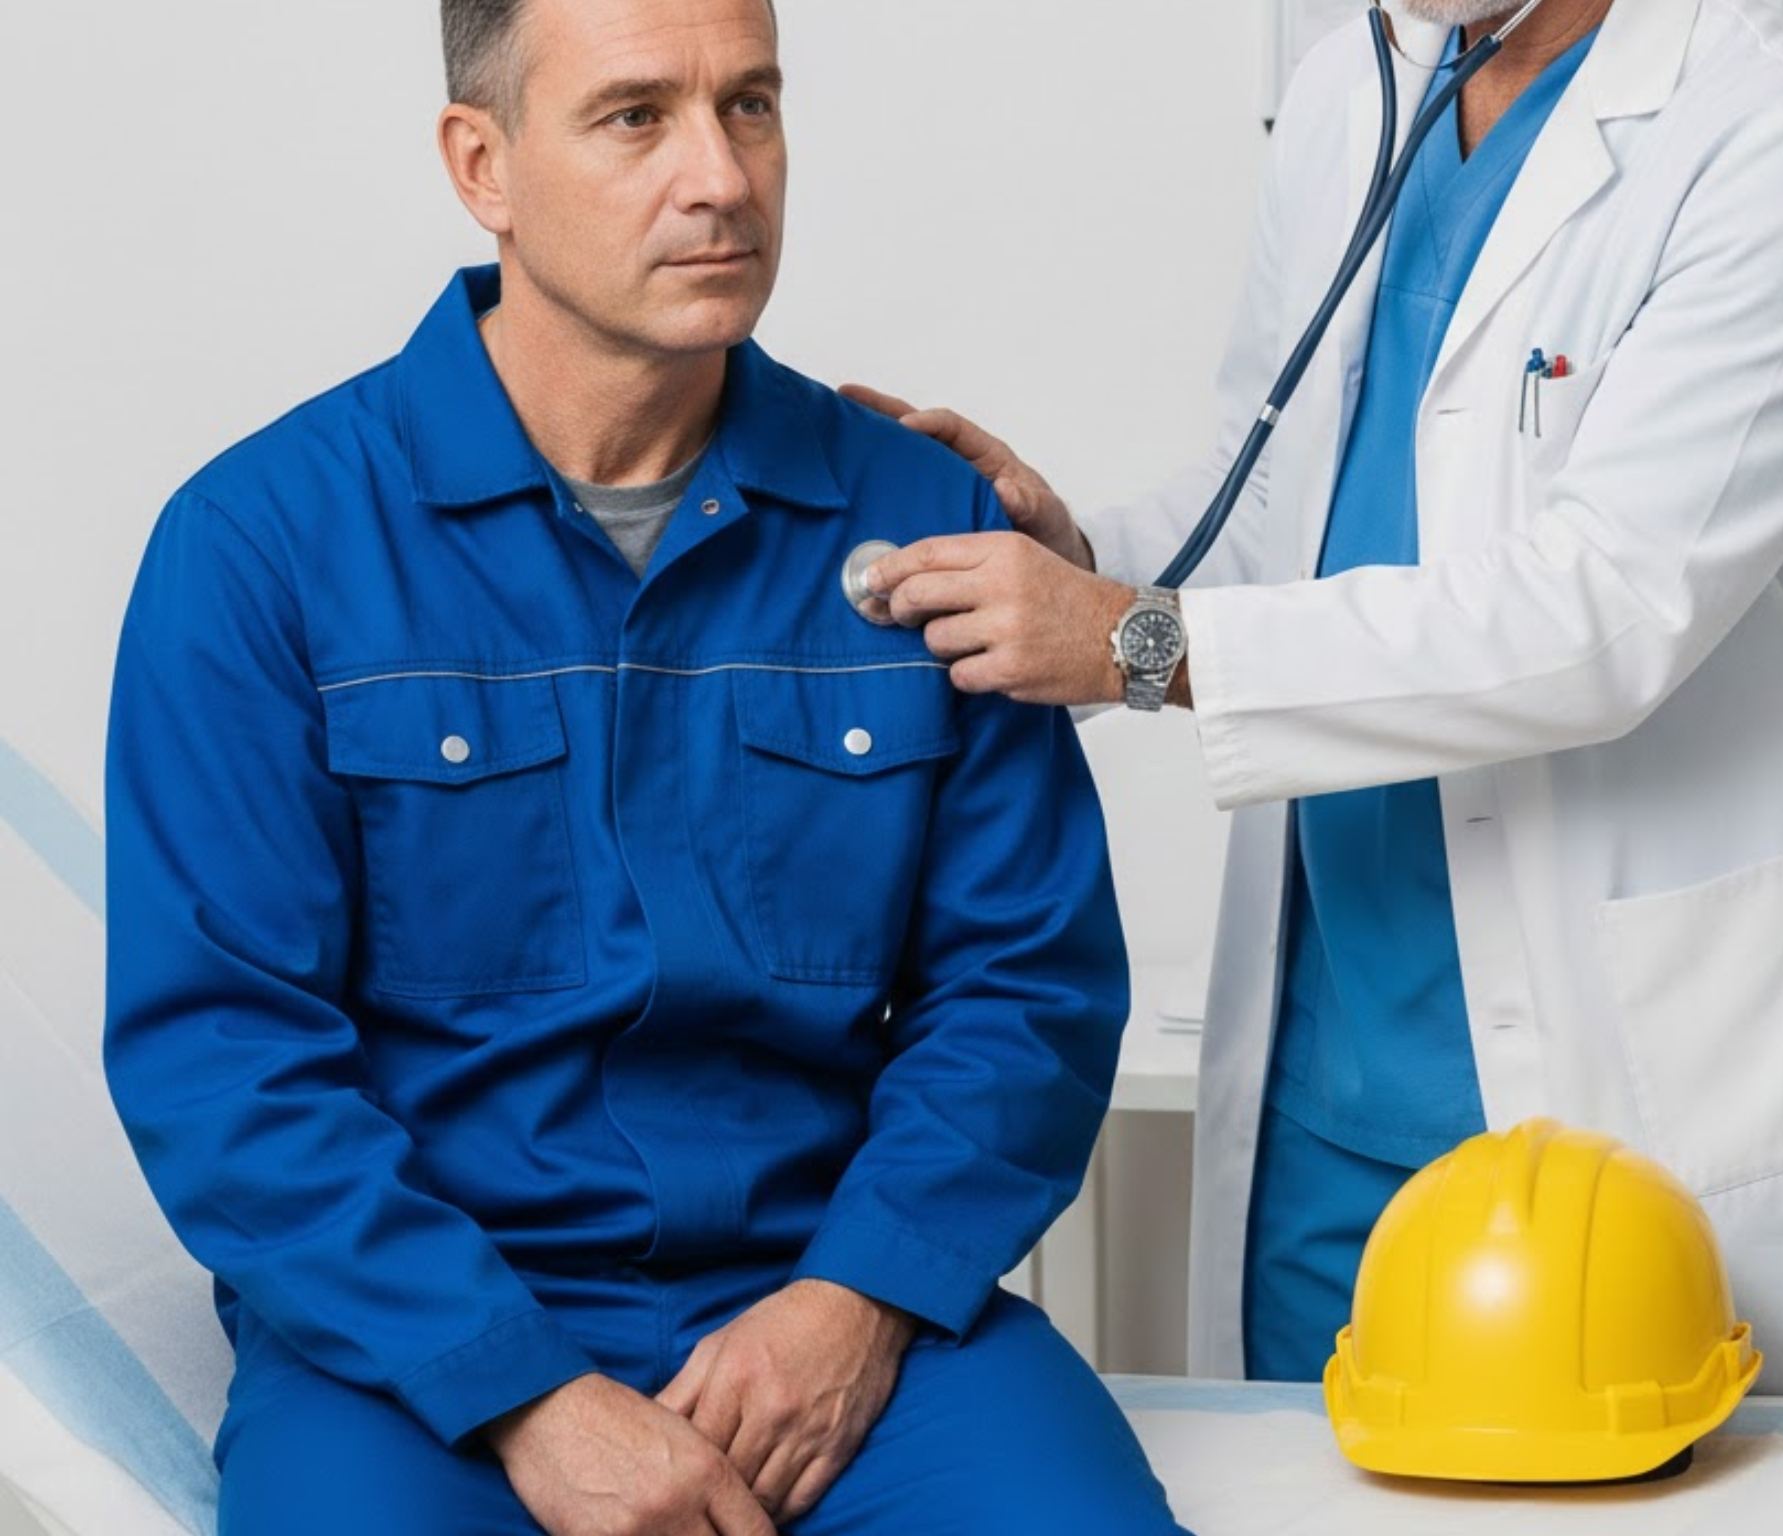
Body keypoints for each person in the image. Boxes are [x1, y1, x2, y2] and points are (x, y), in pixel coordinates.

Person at [103, 1, 1193, 1531]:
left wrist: (859, 1303)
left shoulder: (926, 524)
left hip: (833, 1286)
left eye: (750, 106)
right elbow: (223, 1056)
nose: (722, 179)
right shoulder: (259, 550)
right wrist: (524, 1392)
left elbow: (1026, 988)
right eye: (637, 119)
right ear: (482, 163)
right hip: (419, 1340)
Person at [849, 0, 1783, 1398]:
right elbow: (1280, 510)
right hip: (1336, 1044)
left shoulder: (1777, 136)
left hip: (1641, 1047)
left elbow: (1606, 611)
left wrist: (1128, 642)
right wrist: (1076, 564)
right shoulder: (1346, 101)